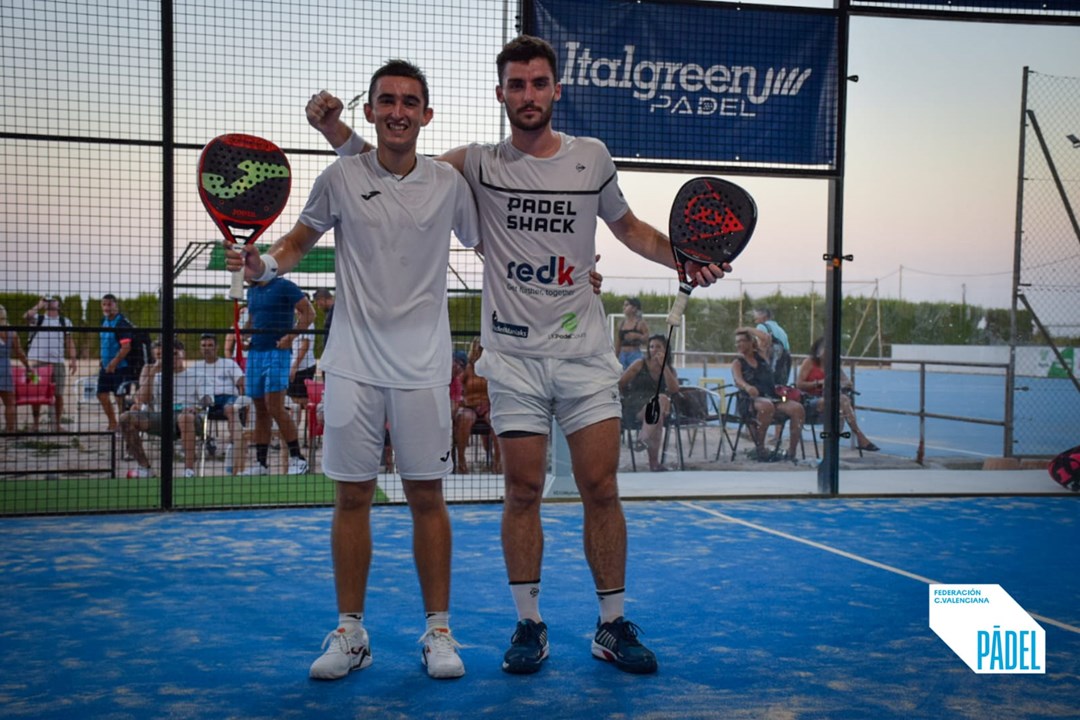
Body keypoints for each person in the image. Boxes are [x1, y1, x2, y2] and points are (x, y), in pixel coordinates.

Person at [306, 34, 727, 676]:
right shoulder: (473, 164)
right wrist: (338, 130)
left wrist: (684, 257)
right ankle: (529, 623)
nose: (527, 95)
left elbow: (630, 228)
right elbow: (390, 166)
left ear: (556, 90)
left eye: (538, 84)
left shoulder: (592, 158)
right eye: (516, 85)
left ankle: (611, 625)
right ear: (500, 94)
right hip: (512, 357)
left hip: (584, 353)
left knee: (601, 486)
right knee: (523, 488)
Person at [230, 59, 481, 681]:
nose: (398, 110)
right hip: (351, 366)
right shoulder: (340, 176)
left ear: (427, 114)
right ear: (369, 110)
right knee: (351, 497)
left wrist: (571, 274)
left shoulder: (449, 185)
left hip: (423, 368)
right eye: (386, 100)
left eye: (410, 101)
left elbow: (494, 244)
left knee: (428, 496)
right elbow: (296, 241)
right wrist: (263, 266)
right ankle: (350, 632)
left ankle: (439, 631)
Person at [237, 275, 314, 476]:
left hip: (277, 353)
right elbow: (253, 319)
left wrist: (290, 337)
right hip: (255, 353)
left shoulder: (284, 286)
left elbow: (309, 313)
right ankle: (261, 464)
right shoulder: (252, 291)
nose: (244, 273)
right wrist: (245, 335)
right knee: (260, 408)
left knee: (275, 406)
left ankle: (298, 459)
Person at [118, 339, 203, 478]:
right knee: (125, 418)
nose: (172, 357)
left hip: (188, 416)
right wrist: (153, 371)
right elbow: (142, 399)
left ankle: (189, 470)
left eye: (175, 353)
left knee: (185, 418)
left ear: (183, 354)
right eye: (167, 355)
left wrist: (196, 408)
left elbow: (207, 401)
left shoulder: (197, 375)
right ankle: (144, 467)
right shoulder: (155, 374)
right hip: (160, 416)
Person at [731, 327, 805, 463]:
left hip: (771, 396)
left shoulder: (762, 355)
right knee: (767, 406)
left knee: (797, 408)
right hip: (750, 399)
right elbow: (738, 380)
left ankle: (792, 452)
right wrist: (747, 387)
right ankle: (760, 448)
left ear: (750, 342)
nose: (739, 344)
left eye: (742, 341)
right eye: (737, 342)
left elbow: (765, 338)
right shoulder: (738, 362)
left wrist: (746, 329)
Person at [795, 336, 879, 452]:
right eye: (826, 348)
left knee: (841, 406)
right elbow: (799, 384)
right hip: (809, 402)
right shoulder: (810, 362)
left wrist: (840, 384)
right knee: (842, 403)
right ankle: (859, 437)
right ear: (818, 350)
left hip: (828, 401)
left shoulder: (833, 364)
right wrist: (819, 383)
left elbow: (847, 382)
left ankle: (833, 446)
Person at [618, 334, 680, 472]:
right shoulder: (640, 364)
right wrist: (623, 398)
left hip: (655, 408)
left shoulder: (669, 369)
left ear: (666, 350)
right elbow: (621, 383)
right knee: (660, 406)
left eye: (658, 346)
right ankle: (651, 457)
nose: (654, 350)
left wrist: (664, 368)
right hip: (636, 405)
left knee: (659, 410)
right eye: (651, 346)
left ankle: (646, 446)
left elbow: (674, 389)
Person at [192, 333, 247, 470]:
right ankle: (202, 444)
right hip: (206, 399)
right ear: (200, 348)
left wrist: (243, 398)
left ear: (217, 348)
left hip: (227, 397)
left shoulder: (228, 363)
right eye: (204, 346)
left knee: (231, 408)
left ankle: (234, 446)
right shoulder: (195, 367)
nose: (207, 348)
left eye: (210, 345)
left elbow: (242, 382)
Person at [23, 296, 78, 432]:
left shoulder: (64, 321)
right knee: (36, 394)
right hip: (37, 363)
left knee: (58, 394)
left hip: (57, 363)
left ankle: (57, 424)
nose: (50, 301)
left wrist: (73, 358)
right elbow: (26, 316)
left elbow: (69, 341)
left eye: (53, 299)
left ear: (59, 304)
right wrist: (38, 305)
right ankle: (35, 424)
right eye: (48, 299)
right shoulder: (38, 318)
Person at [453, 338, 500, 474]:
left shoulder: (493, 368)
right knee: (465, 418)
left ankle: (498, 462)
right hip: (470, 405)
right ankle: (461, 460)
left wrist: (489, 404)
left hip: (488, 405)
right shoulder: (468, 369)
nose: (480, 351)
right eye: (478, 348)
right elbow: (458, 386)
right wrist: (466, 402)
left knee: (495, 419)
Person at [96, 294, 136, 432]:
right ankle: (113, 423)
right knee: (101, 394)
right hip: (106, 367)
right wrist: (102, 361)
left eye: (109, 304)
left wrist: (113, 363)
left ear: (116, 305)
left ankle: (123, 424)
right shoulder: (104, 321)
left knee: (120, 397)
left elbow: (126, 347)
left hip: (121, 367)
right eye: (104, 304)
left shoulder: (122, 323)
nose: (107, 307)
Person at [0, 305, 33, 433]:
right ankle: (10, 430)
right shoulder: (11, 332)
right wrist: (28, 367)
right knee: (10, 402)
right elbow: (19, 352)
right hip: (5, 369)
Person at [287, 312, 318, 439]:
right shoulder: (297, 323)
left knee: (302, 401)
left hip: (303, 367)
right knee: (294, 402)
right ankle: (293, 433)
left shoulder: (308, 324)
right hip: (296, 365)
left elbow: (305, 346)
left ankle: (308, 435)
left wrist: (294, 366)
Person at [753, 307, 791, 383]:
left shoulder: (761, 327)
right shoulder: (781, 330)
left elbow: (759, 347)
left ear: (763, 316)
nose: (755, 320)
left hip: (769, 367)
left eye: (756, 317)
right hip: (782, 369)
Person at [616, 298, 649, 370]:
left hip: (634, 354)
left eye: (626, 305)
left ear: (634, 308)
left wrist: (638, 336)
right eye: (624, 305)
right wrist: (616, 357)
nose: (624, 307)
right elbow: (618, 342)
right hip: (622, 355)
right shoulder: (621, 324)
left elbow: (647, 340)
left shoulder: (640, 323)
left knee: (635, 376)